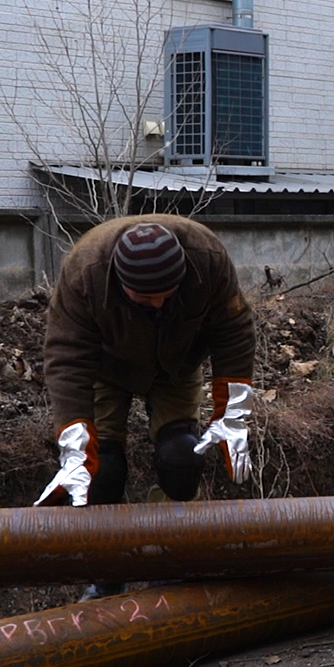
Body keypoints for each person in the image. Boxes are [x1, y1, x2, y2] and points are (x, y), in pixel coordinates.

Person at [36, 216, 258, 596]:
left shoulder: (206, 258)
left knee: (182, 457)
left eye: (166, 295)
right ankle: (106, 574)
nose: (157, 303)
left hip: (177, 363)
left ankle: (168, 563)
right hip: (106, 367)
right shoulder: (86, 271)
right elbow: (66, 358)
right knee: (101, 472)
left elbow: (234, 331)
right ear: (121, 285)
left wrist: (232, 415)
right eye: (145, 298)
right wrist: (75, 447)